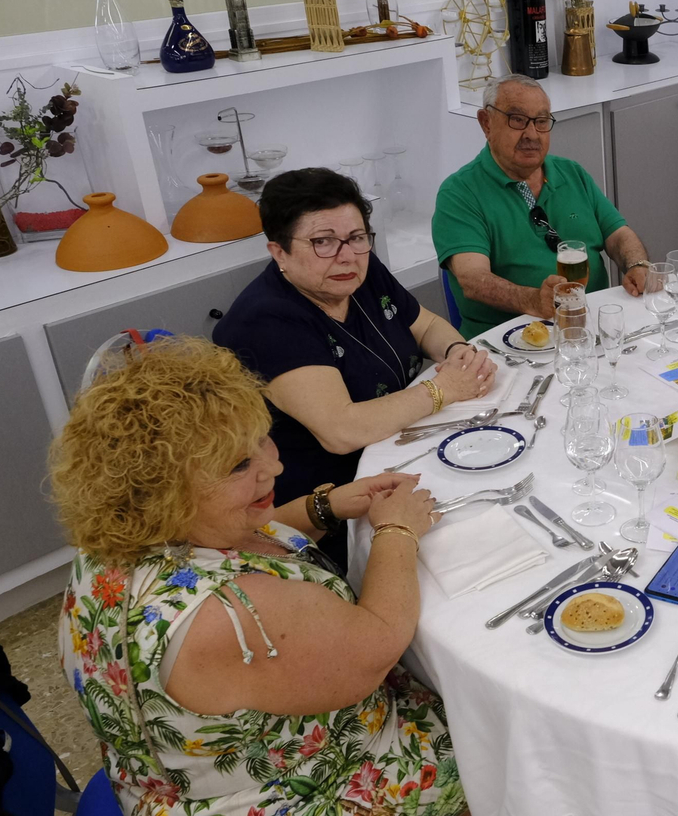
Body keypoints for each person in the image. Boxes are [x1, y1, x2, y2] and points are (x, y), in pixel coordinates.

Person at [52, 338, 465, 815]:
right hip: (307, 788)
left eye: (262, 438)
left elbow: (242, 546)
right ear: (166, 492)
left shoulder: (117, 540)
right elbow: (376, 646)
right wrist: (397, 531)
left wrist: (323, 506)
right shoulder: (225, 615)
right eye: (239, 465)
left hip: (176, 771)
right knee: (498, 732)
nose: (275, 466)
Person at [214, 168, 496, 566]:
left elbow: (426, 325)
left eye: (356, 237)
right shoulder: (265, 321)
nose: (346, 254)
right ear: (279, 251)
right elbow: (341, 431)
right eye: (322, 242)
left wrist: (456, 351)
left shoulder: (357, 272)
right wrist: (443, 390)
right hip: (331, 505)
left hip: (406, 449)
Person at [434, 74, 651, 336]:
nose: (531, 134)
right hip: (508, 342)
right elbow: (473, 280)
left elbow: (618, 235)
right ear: (486, 123)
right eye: (517, 120)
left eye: (541, 121)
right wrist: (533, 300)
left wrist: (637, 264)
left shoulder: (571, 172)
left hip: (591, 326)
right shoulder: (459, 192)